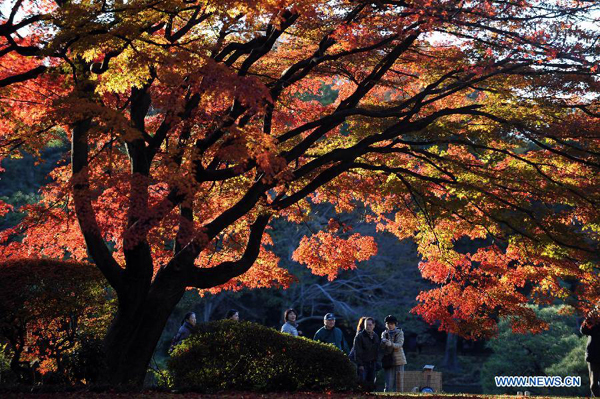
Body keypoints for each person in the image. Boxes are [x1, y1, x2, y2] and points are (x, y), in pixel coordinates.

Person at [352, 317, 380, 390]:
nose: (368, 326)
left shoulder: (376, 336)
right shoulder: (359, 337)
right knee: (362, 385)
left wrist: (376, 362)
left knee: (371, 385)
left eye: (370, 325)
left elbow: (377, 351)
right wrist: (360, 365)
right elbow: (357, 352)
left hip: (373, 364)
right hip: (363, 364)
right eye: (366, 325)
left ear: (374, 325)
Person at [381, 315, 407, 392]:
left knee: (399, 383)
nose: (390, 325)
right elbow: (382, 347)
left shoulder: (400, 332)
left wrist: (391, 344)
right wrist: (383, 343)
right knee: (388, 383)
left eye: (392, 324)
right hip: (388, 360)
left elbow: (400, 344)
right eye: (388, 324)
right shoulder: (384, 333)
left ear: (395, 324)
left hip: (399, 359)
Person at [581, 309, 600, 397]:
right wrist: (588, 320)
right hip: (593, 356)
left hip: (593, 355)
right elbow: (584, 331)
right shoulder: (594, 321)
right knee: (594, 384)